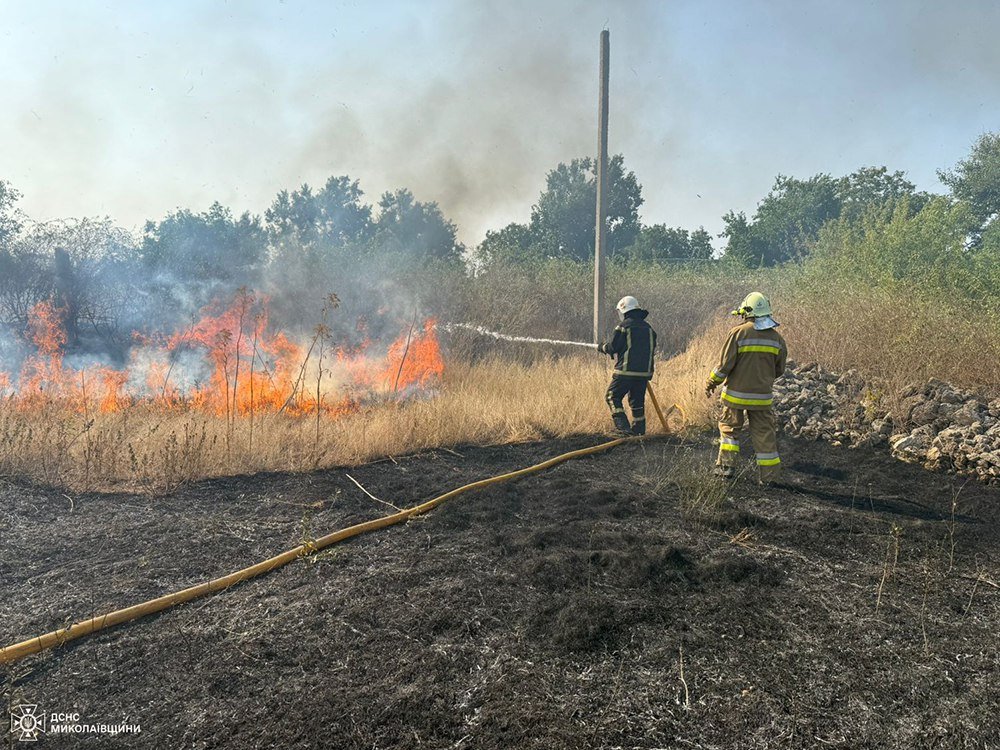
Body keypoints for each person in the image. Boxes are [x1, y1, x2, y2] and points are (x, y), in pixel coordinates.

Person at [705, 292, 787, 482]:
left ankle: (725, 469)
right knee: (764, 434)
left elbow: (725, 365)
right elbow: (779, 370)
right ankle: (769, 478)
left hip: (735, 397)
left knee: (729, 430)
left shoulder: (738, 333)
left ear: (746, 312)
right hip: (762, 398)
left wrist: (711, 383)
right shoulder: (777, 339)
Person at [599, 295, 657, 435]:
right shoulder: (649, 329)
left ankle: (623, 429)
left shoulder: (623, 327)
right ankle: (639, 432)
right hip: (644, 373)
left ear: (624, 311)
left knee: (612, 396)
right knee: (637, 402)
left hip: (625, 372)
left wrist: (603, 347)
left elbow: (613, 347)